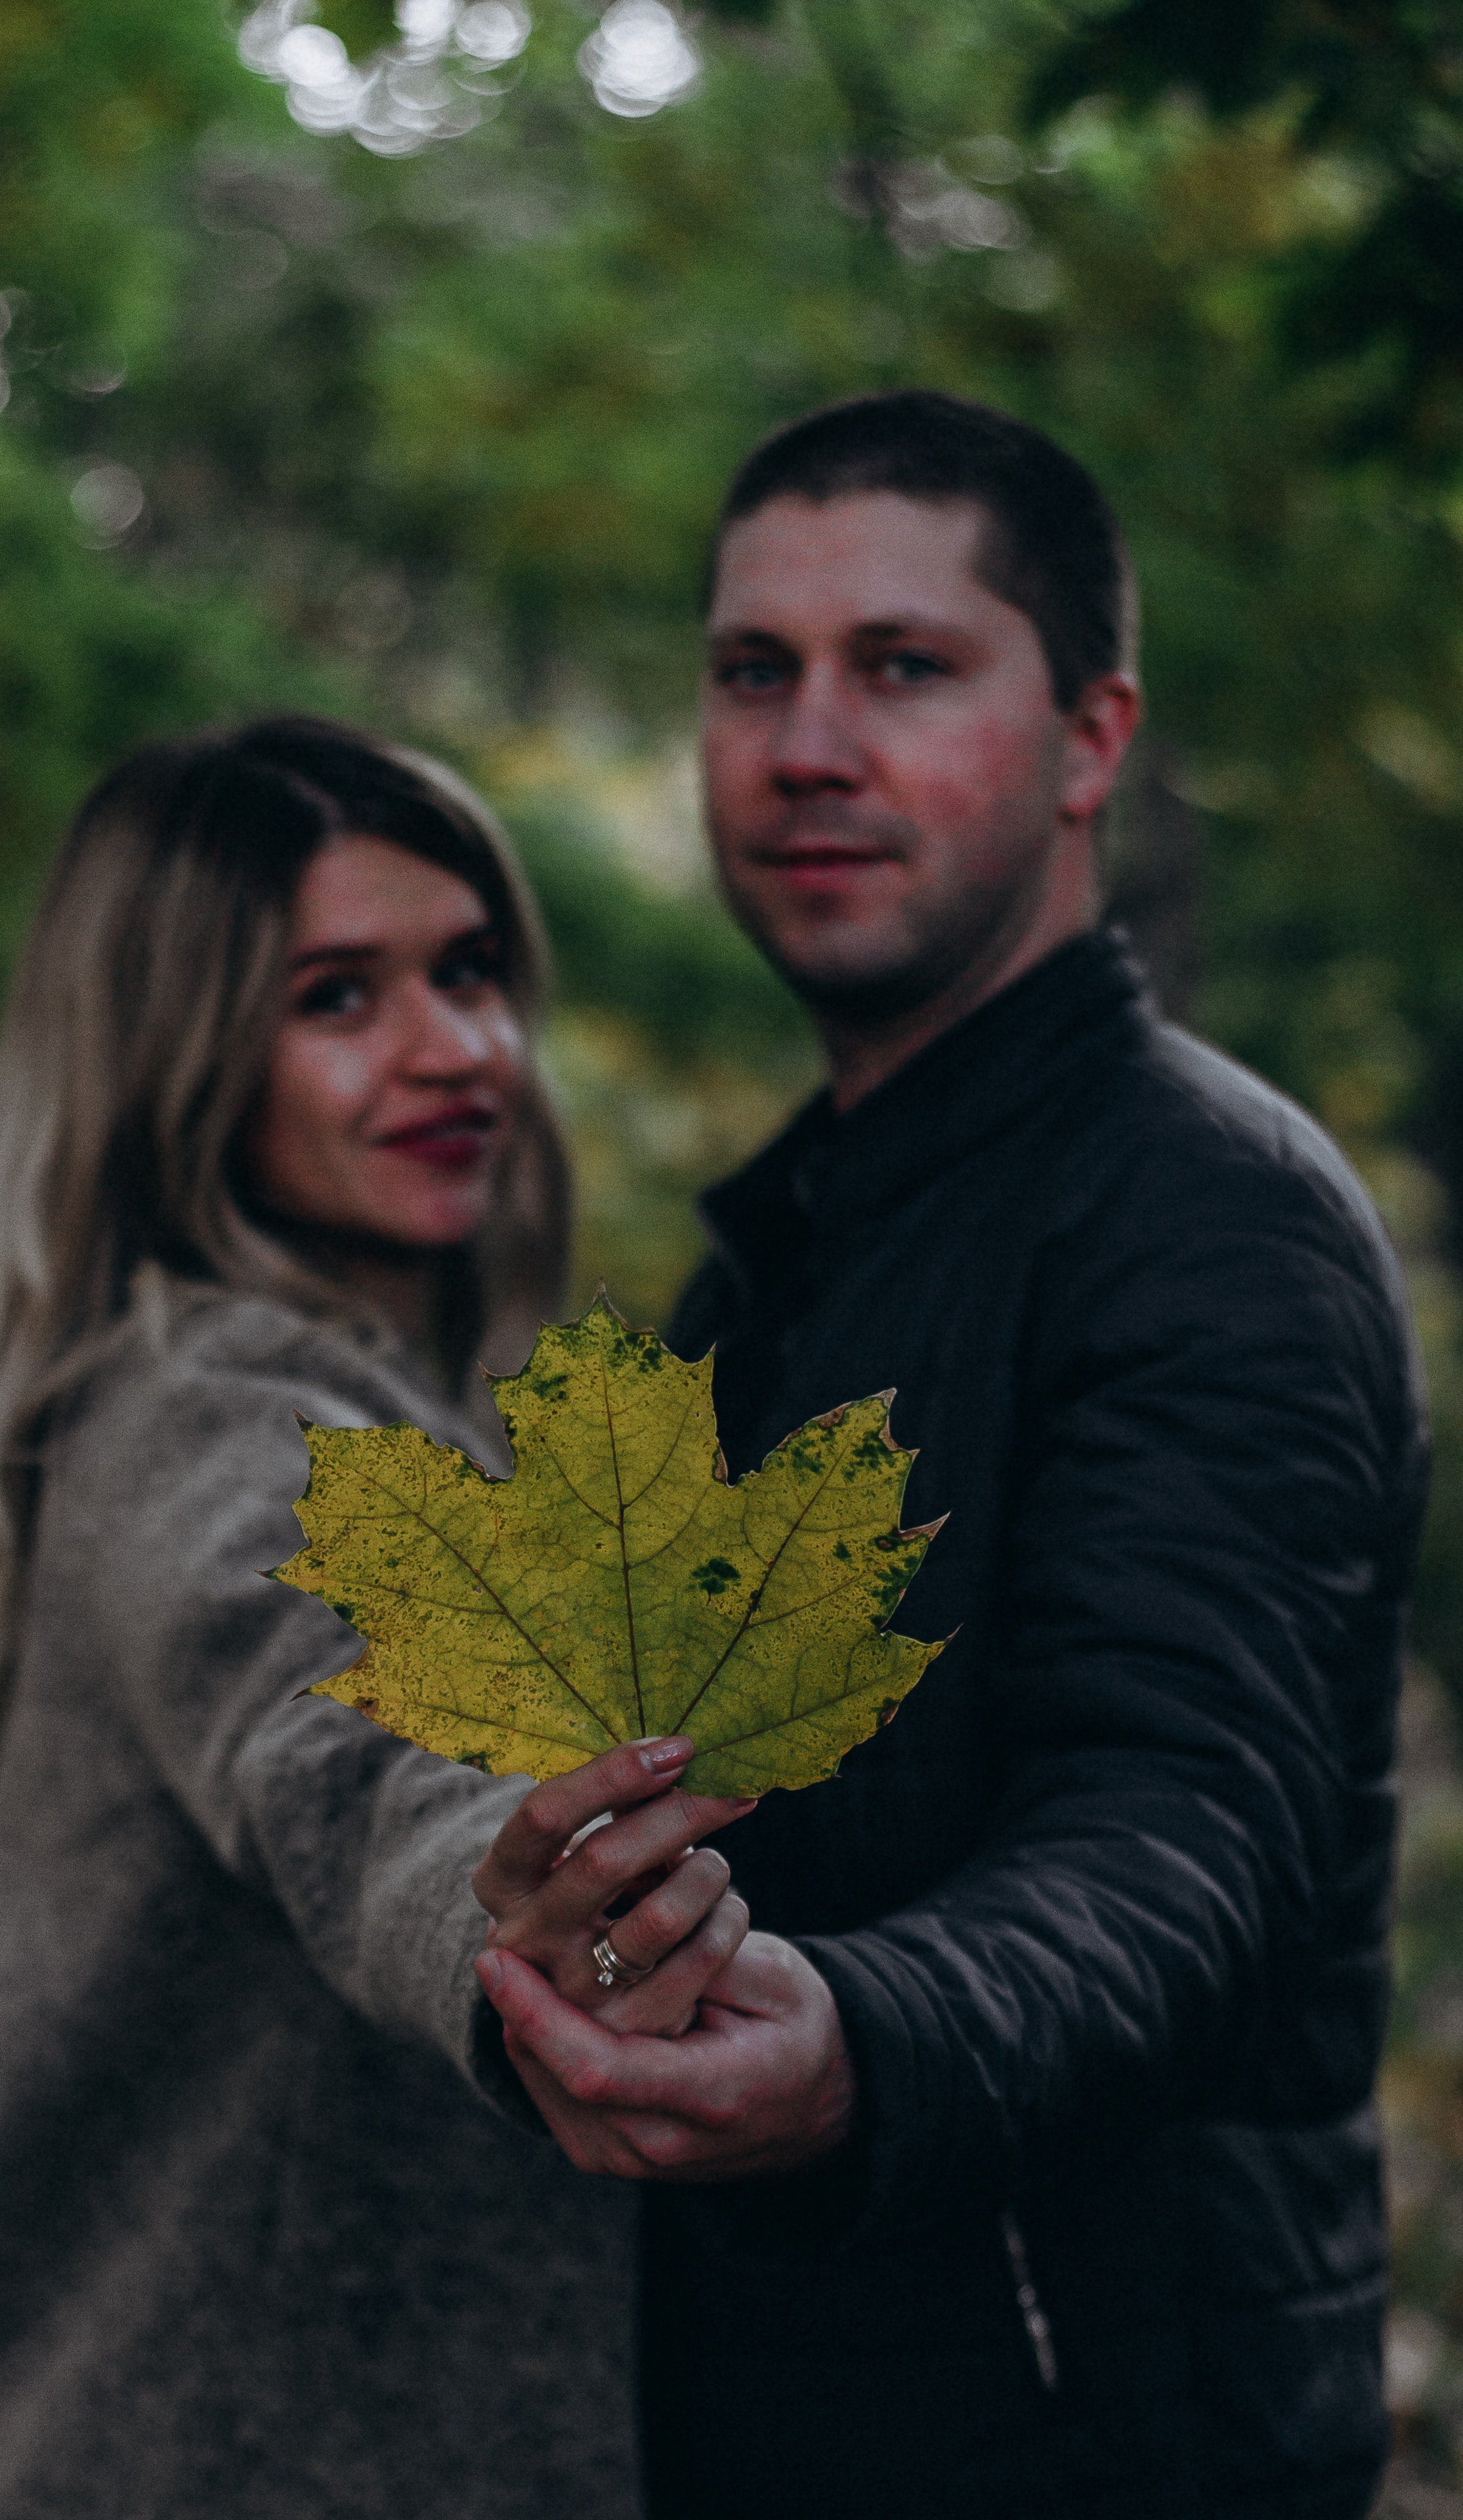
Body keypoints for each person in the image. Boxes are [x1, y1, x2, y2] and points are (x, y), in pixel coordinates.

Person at [475, 392, 1429, 2520]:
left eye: (903, 667)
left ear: (1092, 741)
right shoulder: (767, 1282)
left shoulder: (1209, 1214)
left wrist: (865, 2046)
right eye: (754, 673)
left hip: (1101, 2450)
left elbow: (1188, 1836)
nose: (809, 743)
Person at [0, 717, 752, 2520]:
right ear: (178, 1059)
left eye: (472, 971)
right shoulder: (210, 1422)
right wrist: (511, 1912)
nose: (456, 1051)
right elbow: (342, 1751)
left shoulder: (390, 1429)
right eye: (339, 998)